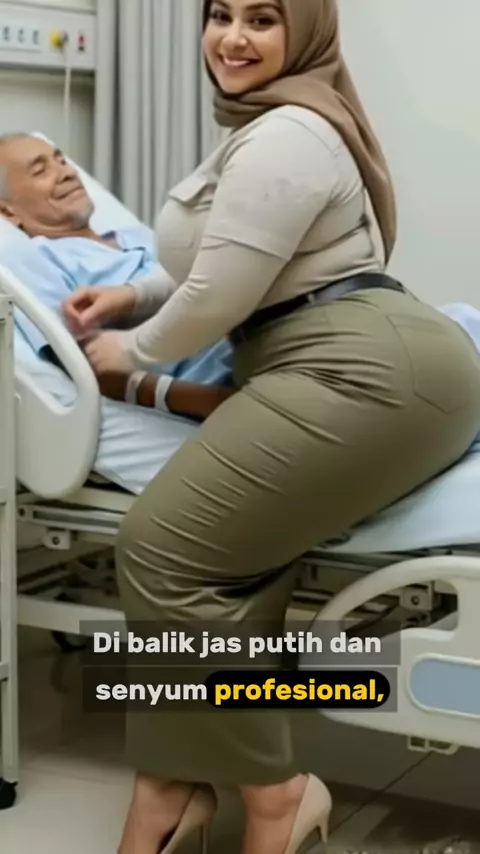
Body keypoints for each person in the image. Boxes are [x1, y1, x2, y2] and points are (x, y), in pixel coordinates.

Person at [62, 1, 480, 853]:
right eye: (219, 14)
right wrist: (132, 293)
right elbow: (236, 261)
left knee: (161, 549)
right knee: (233, 567)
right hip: (361, 358)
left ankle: (277, 790)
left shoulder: (288, 132)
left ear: (307, 32)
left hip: (361, 367)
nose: (232, 37)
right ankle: (170, 788)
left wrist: (130, 357)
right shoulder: (273, 125)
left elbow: (219, 295)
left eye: (263, 18)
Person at [0, 132, 234, 422]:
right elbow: (82, 363)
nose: (67, 173)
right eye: (41, 170)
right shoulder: (35, 258)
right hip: (231, 376)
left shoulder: (136, 235)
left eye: (61, 160)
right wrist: (209, 400)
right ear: (7, 211)